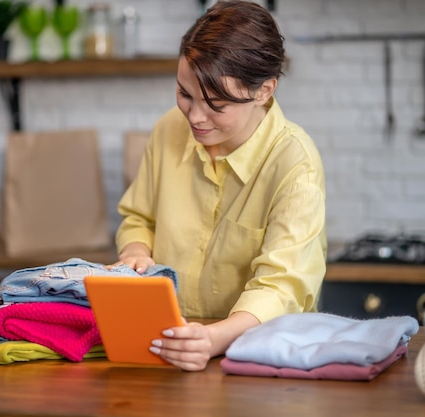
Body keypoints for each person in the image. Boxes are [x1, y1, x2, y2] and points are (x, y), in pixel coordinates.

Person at [110, 0, 327, 371]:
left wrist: (212, 339)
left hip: (259, 360)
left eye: (215, 104)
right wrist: (135, 254)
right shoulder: (167, 130)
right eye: (184, 94)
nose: (194, 116)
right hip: (166, 344)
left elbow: (281, 288)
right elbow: (138, 218)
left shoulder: (295, 164)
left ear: (264, 91)